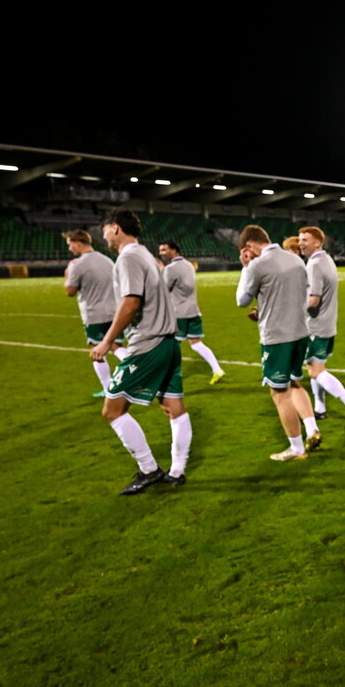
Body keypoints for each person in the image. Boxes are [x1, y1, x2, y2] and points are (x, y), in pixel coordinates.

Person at [91, 209, 191, 494]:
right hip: (169, 342)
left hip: (149, 342)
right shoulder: (146, 254)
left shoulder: (129, 257)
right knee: (174, 407)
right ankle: (177, 471)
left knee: (112, 409)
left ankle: (149, 470)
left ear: (115, 228)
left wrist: (107, 341)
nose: (104, 236)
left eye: (105, 229)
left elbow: (131, 302)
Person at [235, 225, 321, 460]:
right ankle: (312, 428)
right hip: (300, 332)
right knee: (295, 381)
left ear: (249, 246)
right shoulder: (295, 260)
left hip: (277, 337)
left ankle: (296, 448)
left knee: (279, 392)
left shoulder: (257, 264)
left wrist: (245, 267)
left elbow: (241, 300)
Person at [297, 226, 345, 427]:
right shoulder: (326, 260)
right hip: (327, 323)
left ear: (318, 242)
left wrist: (294, 309)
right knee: (315, 367)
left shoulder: (314, 264)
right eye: (300, 239)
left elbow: (314, 300)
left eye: (305, 239)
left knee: (315, 371)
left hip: (316, 325)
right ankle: (320, 409)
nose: (300, 243)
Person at [63, 229, 129, 396]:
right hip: (114, 311)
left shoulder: (77, 265)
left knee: (96, 349)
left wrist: (67, 274)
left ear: (78, 244)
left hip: (94, 314)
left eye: (70, 245)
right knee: (115, 346)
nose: (70, 249)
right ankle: (139, 370)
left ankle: (108, 388)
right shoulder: (107, 260)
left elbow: (70, 291)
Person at [158, 240, 226, 385]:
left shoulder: (171, 268)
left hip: (178, 313)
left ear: (174, 250)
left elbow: (163, 290)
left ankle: (170, 377)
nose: (161, 253)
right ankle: (217, 369)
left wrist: (161, 272)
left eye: (164, 250)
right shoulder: (189, 264)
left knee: (171, 345)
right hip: (193, 311)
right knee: (196, 343)